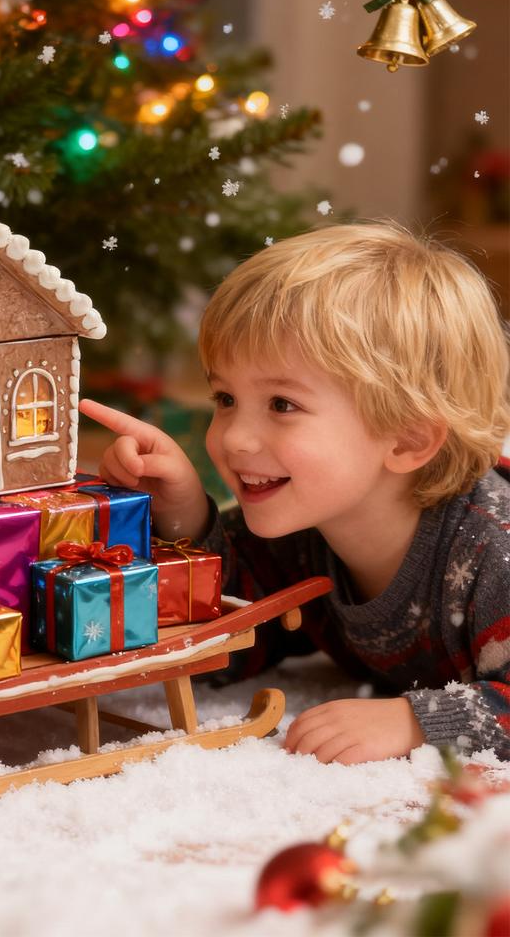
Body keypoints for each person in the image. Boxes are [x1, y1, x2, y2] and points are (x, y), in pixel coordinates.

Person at [81, 222, 510, 764]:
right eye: (225, 398)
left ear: (407, 439)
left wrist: (417, 721)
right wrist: (184, 515)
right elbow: (233, 640)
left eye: (282, 405)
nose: (234, 439)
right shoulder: (306, 525)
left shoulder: (494, 551)